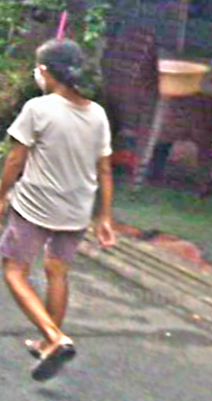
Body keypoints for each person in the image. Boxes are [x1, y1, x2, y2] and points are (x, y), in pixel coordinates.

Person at [0, 38, 116, 381]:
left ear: (46, 72)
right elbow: (105, 169)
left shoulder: (38, 109)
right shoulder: (97, 114)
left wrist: (1, 194)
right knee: (57, 272)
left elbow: (16, 159)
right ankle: (47, 343)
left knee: (14, 271)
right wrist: (104, 216)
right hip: (77, 210)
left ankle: (54, 337)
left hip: (35, 206)